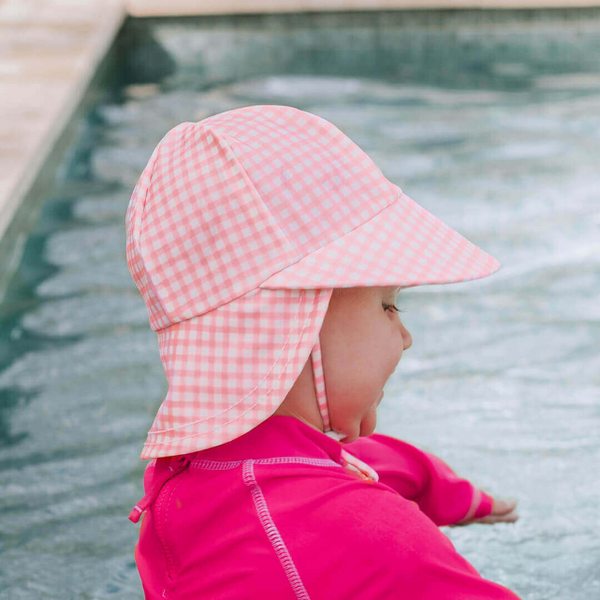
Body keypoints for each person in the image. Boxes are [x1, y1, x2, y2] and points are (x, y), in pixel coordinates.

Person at [125, 104, 521, 599]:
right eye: (388, 305)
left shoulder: (186, 478)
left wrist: (450, 492)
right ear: (299, 324)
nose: (405, 336)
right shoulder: (370, 535)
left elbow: (352, 460)